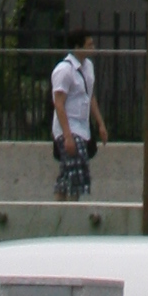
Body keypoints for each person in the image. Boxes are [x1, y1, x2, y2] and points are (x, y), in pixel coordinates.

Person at [52, 26, 106, 201]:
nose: (93, 48)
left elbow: (90, 96)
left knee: (67, 173)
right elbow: (59, 103)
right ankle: (72, 207)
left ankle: (59, 208)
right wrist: (67, 136)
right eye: (89, 45)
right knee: (77, 169)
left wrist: (100, 123)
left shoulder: (88, 67)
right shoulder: (64, 70)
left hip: (83, 128)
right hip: (69, 127)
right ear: (77, 47)